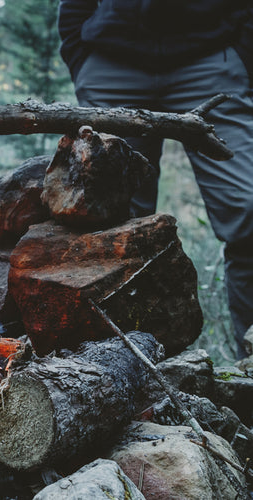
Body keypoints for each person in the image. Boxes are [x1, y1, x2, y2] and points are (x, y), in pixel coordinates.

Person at [58, 0, 253, 358]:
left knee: (248, 206)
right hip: (112, 62)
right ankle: (111, 368)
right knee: (110, 221)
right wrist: (81, 55)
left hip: (211, 59)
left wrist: (243, 52)